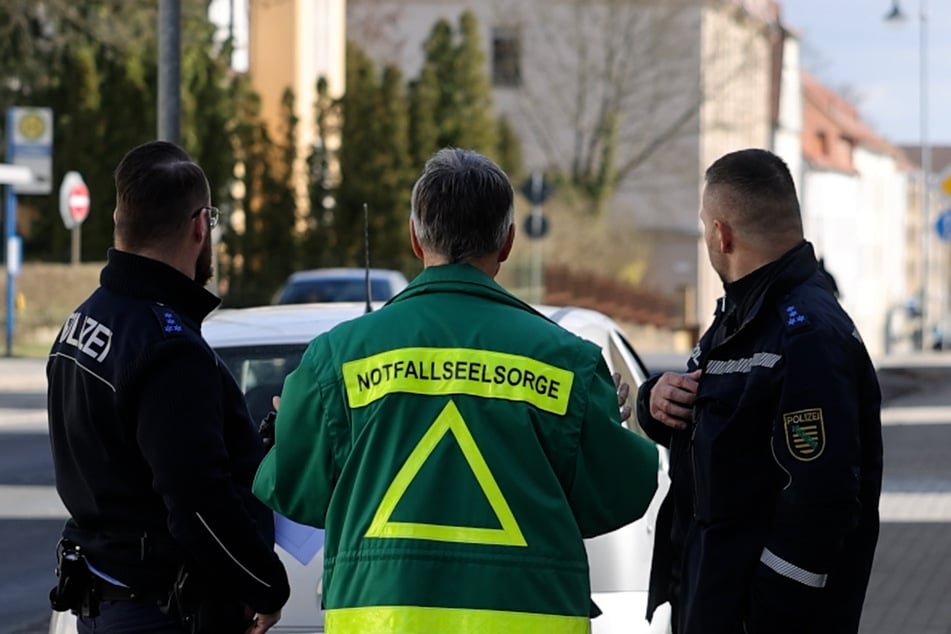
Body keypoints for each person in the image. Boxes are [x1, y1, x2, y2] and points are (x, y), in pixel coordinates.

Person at [253, 147, 660, 633]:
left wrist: (290, 431)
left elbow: (290, 488)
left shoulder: (338, 360)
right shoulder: (566, 362)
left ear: (414, 238)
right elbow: (623, 491)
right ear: (508, 242)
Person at [636, 148, 883, 634]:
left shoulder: (806, 333)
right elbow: (721, 442)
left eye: (706, 222)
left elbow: (822, 497)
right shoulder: (741, 318)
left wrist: (764, 609)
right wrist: (652, 402)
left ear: (721, 234)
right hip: (711, 604)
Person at [47, 140, 289, 633]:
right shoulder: (168, 348)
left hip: (109, 600)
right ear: (200, 225)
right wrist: (264, 585)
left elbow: (133, 467)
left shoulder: (86, 320)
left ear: (119, 219)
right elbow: (196, 501)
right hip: (159, 611)